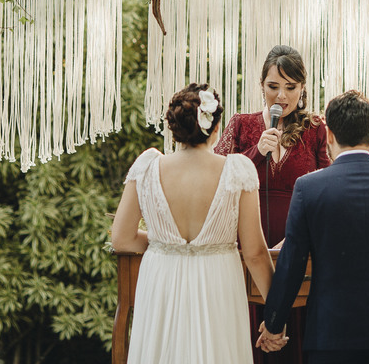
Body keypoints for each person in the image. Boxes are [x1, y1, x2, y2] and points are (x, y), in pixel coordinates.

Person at [258, 90, 369, 364]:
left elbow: (292, 264)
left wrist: (274, 322)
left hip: (330, 334)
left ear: (329, 135)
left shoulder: (309, 188)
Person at [111, 83, 274, 364]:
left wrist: (163, 242)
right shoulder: (237, 170)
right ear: (216, 126)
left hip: (161, 281)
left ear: (174, 127)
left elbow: (122, 239)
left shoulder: (147, 167)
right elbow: (255, 253)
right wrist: (276, 315)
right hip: (217, 283)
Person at [216, 44, 331, 363]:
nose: (281, 95)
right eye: (273, 86)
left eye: (290, 87)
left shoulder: (315, 129)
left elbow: (327, 190)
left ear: (303, 88)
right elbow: (215, 181)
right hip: (246, 250)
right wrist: (256, 152)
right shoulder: (241, 124)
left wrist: (299, 237)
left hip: (299, 249)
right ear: (261, 85)